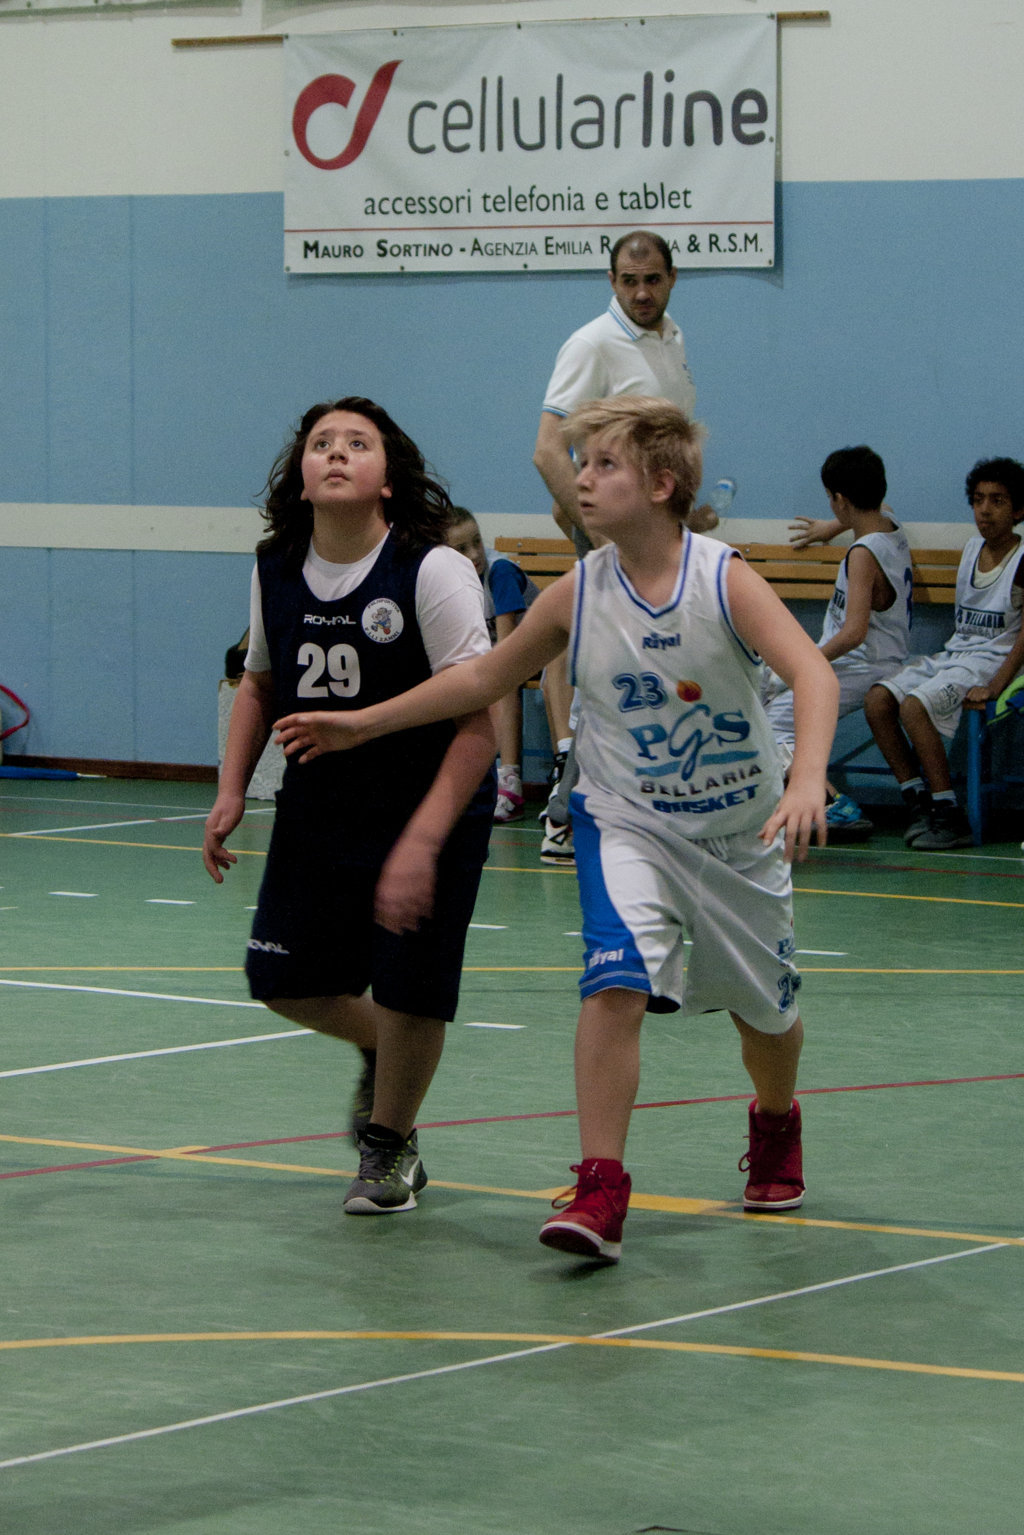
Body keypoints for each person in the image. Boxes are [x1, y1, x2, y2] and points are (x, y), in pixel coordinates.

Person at [273, 397, 839, 1263]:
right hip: (628, 823)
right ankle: (601, 1184)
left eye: (604, 464)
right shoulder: (579, 591)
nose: (583, 478)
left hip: (738, 829)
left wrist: (805, 779)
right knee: (613, 984)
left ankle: (774, 1119)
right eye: (582, 463)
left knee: (766, 1016)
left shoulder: (721, 579)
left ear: (661, 485)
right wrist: (362, 723)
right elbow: (481, 680)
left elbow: (813, 675)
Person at [202, 397, 496, 1215]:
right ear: (300, 476)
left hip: (429, 799)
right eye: (321, 442)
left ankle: (389, 1145)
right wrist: (230, 787)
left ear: (389, 479)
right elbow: (260, 681)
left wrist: (421, 840)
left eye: (357, 443)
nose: (336, 452)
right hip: (321, 800)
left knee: (411, 988)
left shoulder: (431, 569)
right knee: (279, 977)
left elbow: (479, 721)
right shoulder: (275, 564)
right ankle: (384, 1046)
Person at [532, 230, 716, 865]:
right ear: (611, 282)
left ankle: (651, 817)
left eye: (653, 279)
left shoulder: (673, 340)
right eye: (629, 280)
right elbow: (548, 450)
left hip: (664, 541)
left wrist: (686, 512)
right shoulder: (591, 344)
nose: (641, 292)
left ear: (671, 279)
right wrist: (602, 534)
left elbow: (662, 455)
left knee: (659, 678)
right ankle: (566, 817)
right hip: (622, 548)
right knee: (612, 676)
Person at [863, 457, 1024, 849]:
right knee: (878, 701)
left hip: (992, 661)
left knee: (915, 706)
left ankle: (950, 812)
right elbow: (880, 510)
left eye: (997, 501)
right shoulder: (971, 549)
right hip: (956, 654)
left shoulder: (1022, 558)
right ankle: (918, 798)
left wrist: (996, 685)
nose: (985, 509)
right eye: (978, 500)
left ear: (1018, 510)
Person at [767, 446, 914, 839]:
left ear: (840, 500)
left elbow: (853, 633)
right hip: (879, 656)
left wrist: (802, 663)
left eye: (831, 499)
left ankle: (832, 805)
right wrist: (831, 527)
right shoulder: (889, 526)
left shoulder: (863, 555)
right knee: (763, 700)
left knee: (769, 727)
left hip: (863, 664)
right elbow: (883, 508)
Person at [445, 506, 540, 823]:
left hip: (546, 653)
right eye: (462, 548)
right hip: (505, 655)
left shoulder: (499, 572)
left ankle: (510, 782)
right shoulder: (448, 580)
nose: (474, 554)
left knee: (502, 681)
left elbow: (508, 650)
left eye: (476, 542)